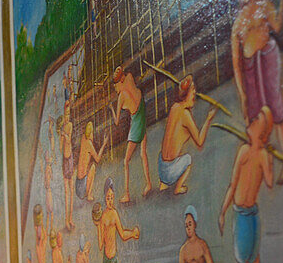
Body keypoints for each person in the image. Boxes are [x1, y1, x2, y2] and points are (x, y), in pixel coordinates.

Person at [231, 0, 283, 182]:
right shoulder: (238, 23)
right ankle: (262, 163)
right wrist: (242, 93)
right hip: (250, 66)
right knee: (256, 114)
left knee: (276, 107)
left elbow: (276, 27)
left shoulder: (265, 6)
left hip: (268, 56)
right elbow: (236, 62)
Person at [219, 107, 276, 263]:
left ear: (262, 132)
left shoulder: (262, 155)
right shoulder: (244, 151)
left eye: (257, 121)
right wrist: (223, 211)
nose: (251, 122)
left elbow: (270, 183)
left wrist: (269, 160)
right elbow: (233, 185)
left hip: (250, 215)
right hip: (242, 214)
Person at [159, 76, 217, 194]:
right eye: (193, 90)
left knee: (171, 150)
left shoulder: (174, 107)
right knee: (188, 159)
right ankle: (178, 187)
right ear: (187, 94)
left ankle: (163, 184)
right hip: (169, 172)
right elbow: (200, 142)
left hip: (161, 167)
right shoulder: (185, 115)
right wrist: (208, 119)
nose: (194, 93)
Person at [111, 65, 153, 203]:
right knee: (143, 153)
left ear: (119, 82)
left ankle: (127, 194)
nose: (115, 89)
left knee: (126, 161)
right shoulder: (129, 78)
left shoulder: (121, 97)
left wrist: (112, 109)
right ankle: (148, 184)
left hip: (136, 122)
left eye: (115, 86)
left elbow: (117, 121)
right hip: (141, 114)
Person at [75, 121, 109, 201]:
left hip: (77, 186)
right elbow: (97, 159)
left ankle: (87, 192)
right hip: (82, 190)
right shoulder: (89, 144)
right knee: (93, 167)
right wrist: (104, 144)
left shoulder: (83, 139)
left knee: (87, 168)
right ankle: (89, 194)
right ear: (91, 133)